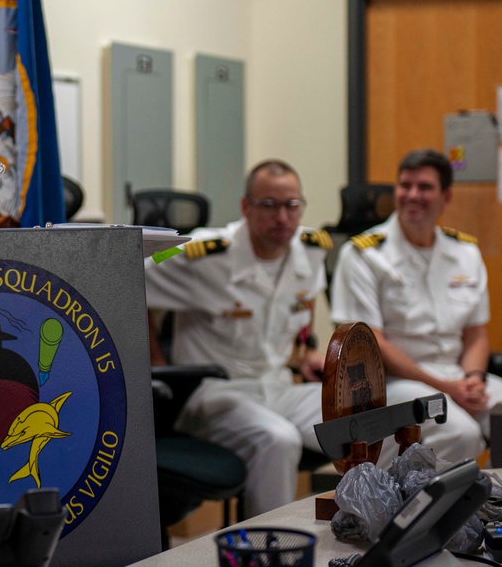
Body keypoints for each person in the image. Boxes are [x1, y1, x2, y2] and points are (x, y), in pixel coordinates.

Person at [144, 160, 330, 516]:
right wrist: (155, 359)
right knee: (279, 440)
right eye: (269, 205)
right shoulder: (203, 254)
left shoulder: (311, 249)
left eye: (292, 205)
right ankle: (268, 549)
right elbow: (129, 279)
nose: (282, 217)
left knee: (365, 417)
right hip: (214, 394)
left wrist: (306, 349)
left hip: (277, 387)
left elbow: (302, 306)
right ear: (246, 207)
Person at [330, 149, 500, 463]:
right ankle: (421, 510)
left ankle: (491, 504)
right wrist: (446, 386)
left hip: (457, 375)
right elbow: (372, 344)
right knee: (460, 434)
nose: (412, 195)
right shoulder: (365, 254)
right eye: (405, 185)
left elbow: (475, 334)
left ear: (446, 197)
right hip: (394, 384)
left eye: (424, 187)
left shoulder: (465, 252)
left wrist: (473, 378)